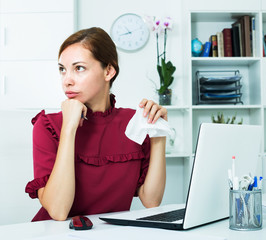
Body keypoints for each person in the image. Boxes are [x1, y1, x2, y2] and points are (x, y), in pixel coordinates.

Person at [25, 27, 168, 221]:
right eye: (62, 69)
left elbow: (151, 200)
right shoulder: (48, 125)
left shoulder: (134, 122)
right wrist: (69, 128)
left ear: (108, 71)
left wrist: (158, 133)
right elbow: (58, 211)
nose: (67, 80)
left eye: (79, 68)